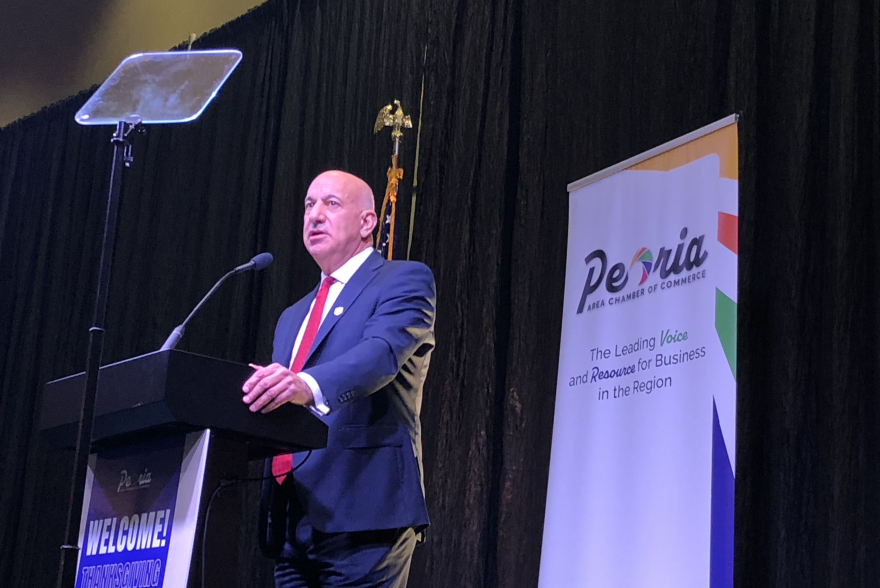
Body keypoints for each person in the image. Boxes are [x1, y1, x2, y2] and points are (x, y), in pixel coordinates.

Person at [242, 170, 435, 588]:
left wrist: (305, 385)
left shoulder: (404, 280)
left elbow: (380, 355)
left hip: (365, 513)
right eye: (309, 205)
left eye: (330, 204)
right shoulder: (292, 316)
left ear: (368, 223)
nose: (314, 215)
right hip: (293, 520)